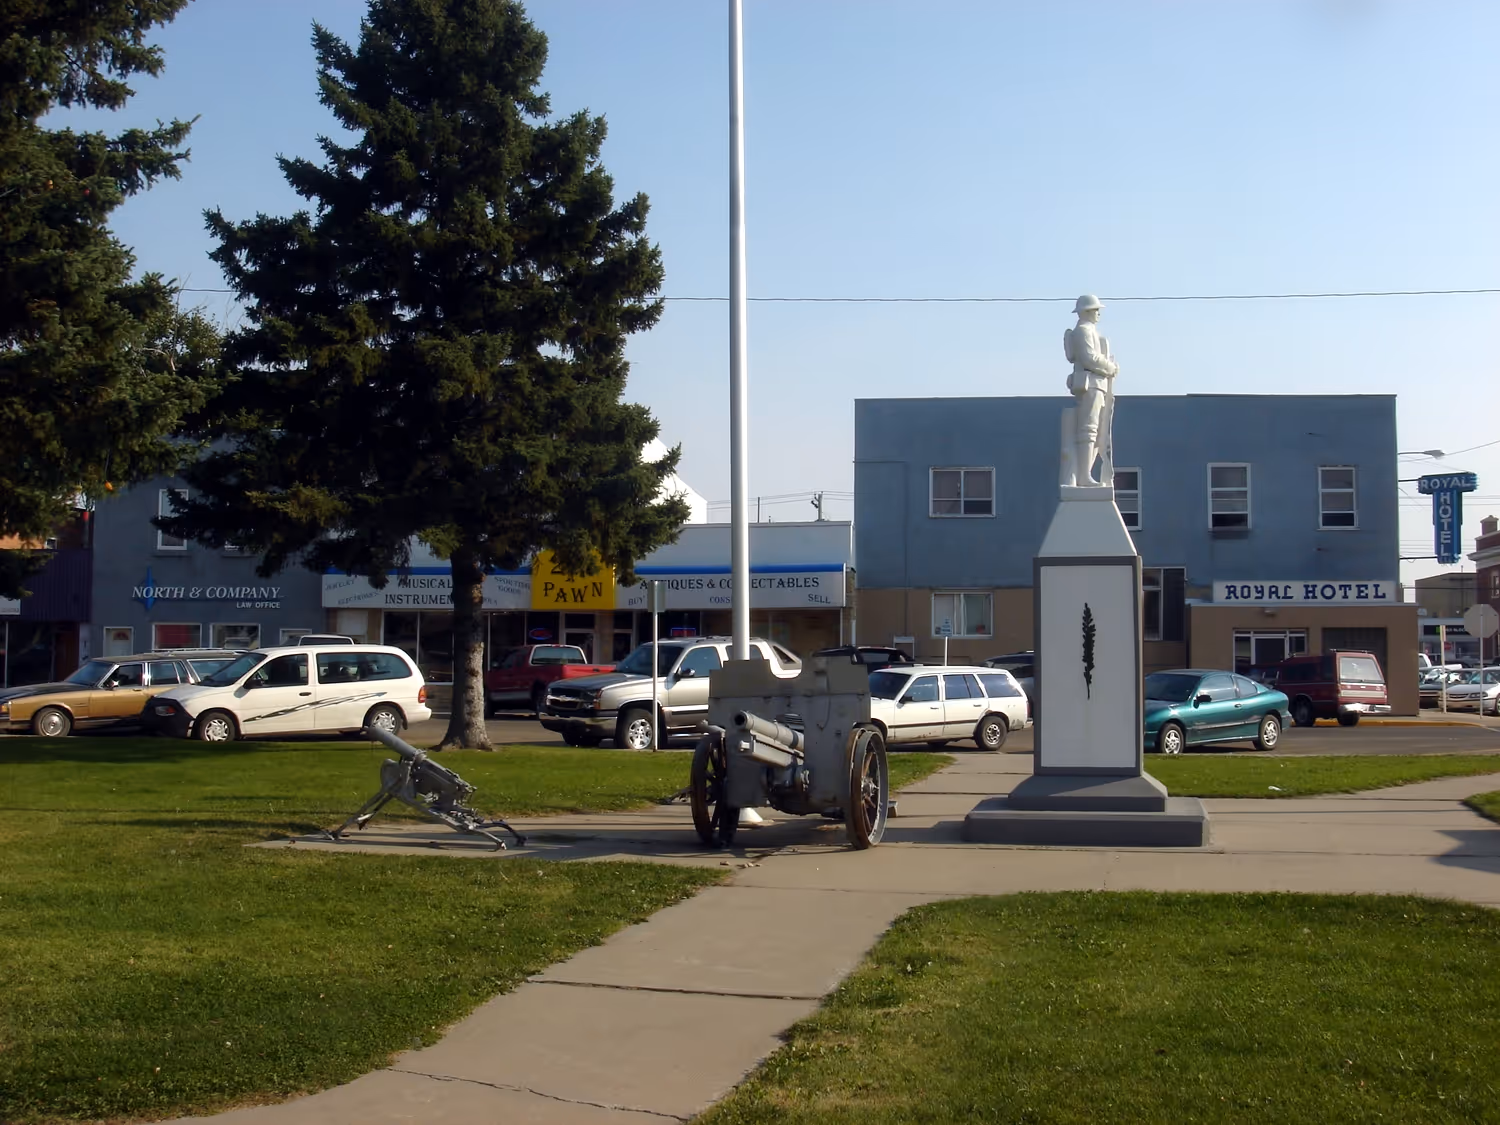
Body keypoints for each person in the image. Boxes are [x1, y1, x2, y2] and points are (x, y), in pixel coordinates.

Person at [1062, 294, 1118, 487]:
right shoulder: (1083, 331)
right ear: (1086, 311)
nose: (1098, 314)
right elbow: (1089, 358)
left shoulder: (1091, 331)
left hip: (1098, 384)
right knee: (1088, 430)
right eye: (1095, 310)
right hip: (1090, 383)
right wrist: (1110, 367)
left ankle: (1086, 473)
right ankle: (1084, 476)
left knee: (1096, 432)